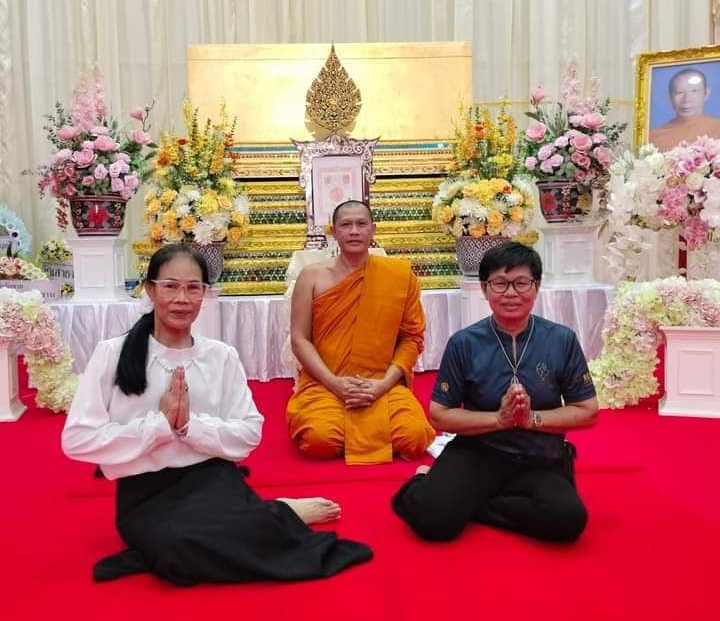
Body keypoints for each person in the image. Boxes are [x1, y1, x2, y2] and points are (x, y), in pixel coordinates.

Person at [62, 244, 372, 586]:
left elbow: (249, 433)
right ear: (149, 290)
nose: (182, 298)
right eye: (170, 286)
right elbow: (78, 439)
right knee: (178, 551)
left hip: (213, 481)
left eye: (193, 288)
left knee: (223, 537)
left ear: (204, 294)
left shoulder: (220, 356)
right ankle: (274, 514)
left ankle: (269, 513)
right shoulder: (112, 354)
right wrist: (159, 426)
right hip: (146, 495)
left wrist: (189, 427)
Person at [392, 242, 597, 544]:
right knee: (432, 521)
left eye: (521, 283)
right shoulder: (464, 343)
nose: (511, 293)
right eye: (500, 283)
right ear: (484, 289)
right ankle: (423, 481)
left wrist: (531, 419)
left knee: (568, 520)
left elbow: (587, 411)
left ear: (536, 286)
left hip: (539, 455)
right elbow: (439, 415)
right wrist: (498, 420)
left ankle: (471, 504)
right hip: (478, 451)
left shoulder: (561, 340)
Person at [286, 199, 434, 465]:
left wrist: (383, 385)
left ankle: (353, 433)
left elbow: (411, 338)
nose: (354, 231)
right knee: (319, 439)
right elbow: (300, 339)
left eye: (361, 224)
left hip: (380, 382)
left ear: (372, 229)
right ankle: (356, 431)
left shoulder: (399, 275)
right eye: (346, 224)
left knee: (414, 438)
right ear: (334, 231)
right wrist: (334, 383)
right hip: (325, 382)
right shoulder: (312, 276)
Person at [650, 67, 720, 151]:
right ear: (669, 97)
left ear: (706, 93)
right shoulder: (654, 136)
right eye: (679, 92)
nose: (686, 100)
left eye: (694, 91)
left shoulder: (717, 127)